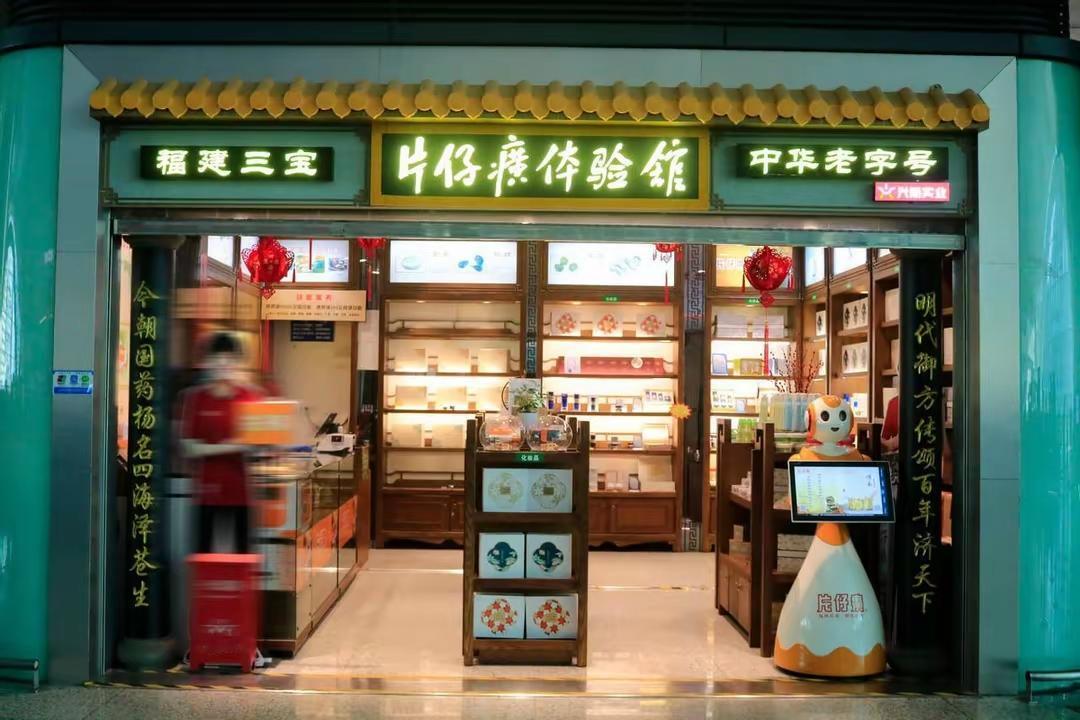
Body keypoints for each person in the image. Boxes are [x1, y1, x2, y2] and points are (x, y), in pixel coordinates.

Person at [180, 331, 262, 554]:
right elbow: (189, 448)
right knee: (203, 557)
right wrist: (234, 446)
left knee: (242, 558)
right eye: (217, 358)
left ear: (238, 362)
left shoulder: (249, 397)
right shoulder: (195, 398)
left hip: (241, 494)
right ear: (206, 362)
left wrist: (211, 448)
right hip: (205, 494)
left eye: (229, 359)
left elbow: (258, 444)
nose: (223, 364)